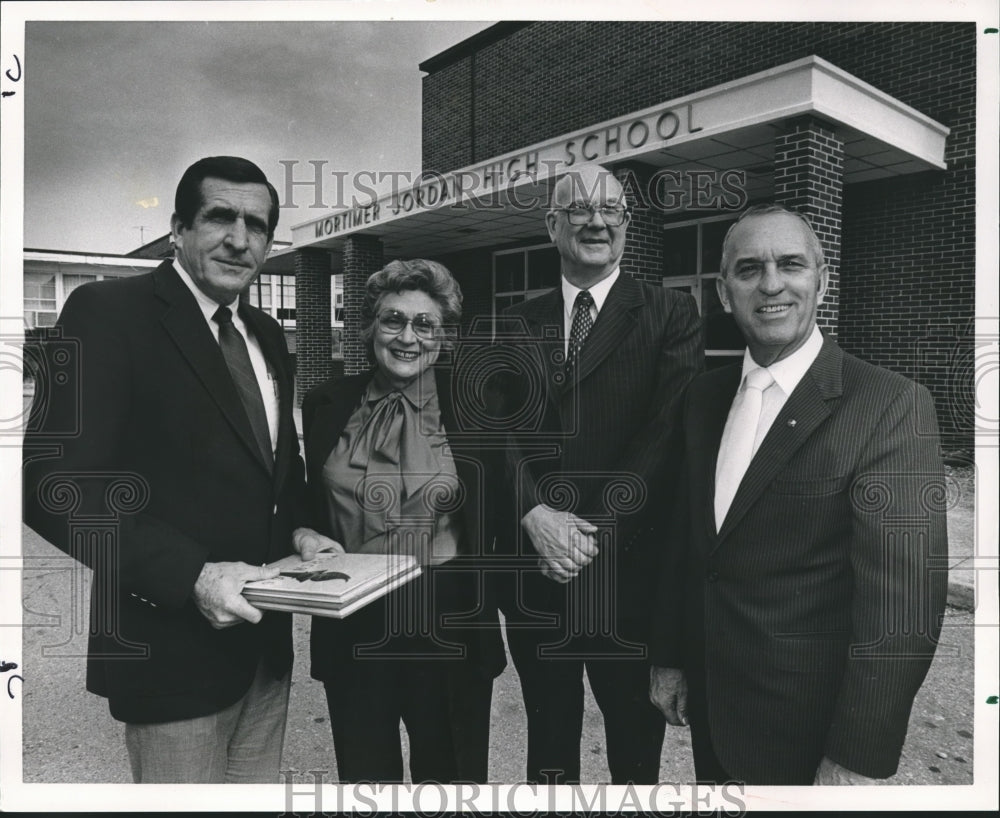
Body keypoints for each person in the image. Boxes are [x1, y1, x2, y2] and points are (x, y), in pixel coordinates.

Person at [22, 156, 328, 783]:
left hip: (265, 651)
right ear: (178, 228)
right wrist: (193, 576)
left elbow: (273, 469)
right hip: (170, 652)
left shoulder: (268, 334)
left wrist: (301, 529)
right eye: (221, 217)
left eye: (258, 225)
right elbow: (55, 485)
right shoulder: (107, 312)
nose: (240, 240)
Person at [648, 203, 948, 785]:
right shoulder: (703, 399)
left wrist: (855, 758)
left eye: (790, 264)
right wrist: (671, 656)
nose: (771, 284)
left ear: (822, 280)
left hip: (810, 735)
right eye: (748, 268)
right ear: (723, 290)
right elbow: (690, 544)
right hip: (714, 712)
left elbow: (904, 605)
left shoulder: (890, 406)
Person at [495, 164, 703, 783]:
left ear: (627, 225)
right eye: (580, 209)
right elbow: (494, 432)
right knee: (549, 751)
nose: (596, 220)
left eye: (611, 209)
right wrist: (534, 514)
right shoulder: (516, 322)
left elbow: (665, 437)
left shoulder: (670, 313)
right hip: (537, 576)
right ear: (552, 225)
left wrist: (585, 537)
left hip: (627, 578)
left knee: (635, 755)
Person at [297, 259, 507, 783]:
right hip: (353, 616)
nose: (407, 337)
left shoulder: (478, 404)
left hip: (448, 617)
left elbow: (510, 498)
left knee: (452, 781)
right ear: (370, 328)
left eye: (424, 324)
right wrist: (302, 533)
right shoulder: (326, 403)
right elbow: (302, 498)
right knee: (366, 780)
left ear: (443, 336)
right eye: (393, 320)